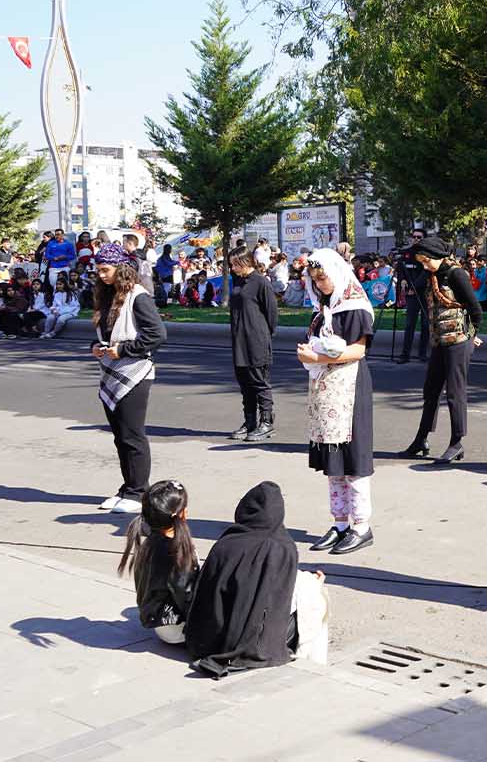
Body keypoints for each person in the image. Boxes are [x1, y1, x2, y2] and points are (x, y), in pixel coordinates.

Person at [184, 481, 328, 678]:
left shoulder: (226, 542)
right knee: (316, 598)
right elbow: (277, 599)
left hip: (206, 641)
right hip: (254, 647)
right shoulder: (283, 547)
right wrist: (314, 584)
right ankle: (315, 667)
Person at [298, 249, 377, 555]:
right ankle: (340, 522)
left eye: (323, 278)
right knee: (333, 459)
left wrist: (315, 356)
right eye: (315, 280)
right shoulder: (325, 307)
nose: (320, 284)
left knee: (353, 458)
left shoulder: (353, 305)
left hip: (350, 387)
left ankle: (361, 525)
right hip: (326, 388)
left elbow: (358, 351)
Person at [89, 243, 167, 515]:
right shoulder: (107, 295)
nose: (100, 275)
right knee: (120, 435)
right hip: (112, 370)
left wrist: (123, 349)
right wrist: (96, 347)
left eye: (105, 270)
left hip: (135, 373)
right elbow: (105, 333)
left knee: (132, 434)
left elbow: (156, 335)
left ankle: (139, 491)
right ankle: (128, 487)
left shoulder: (138, 296)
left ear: (120, 268)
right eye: (98, 270)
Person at [398, 236, 483, 465]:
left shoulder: (456, 274)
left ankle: (456, 443)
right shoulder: (432, 273)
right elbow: (415, 285)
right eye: (422, 262)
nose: (424, 265)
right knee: (431, 390)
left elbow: (475, 309)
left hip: (458, 341)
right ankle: (421, 439)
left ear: (437, 256)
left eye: (426, 261)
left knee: (455, 393)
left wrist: (472, 335)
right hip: (439, 340)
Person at [117, 480, 199, 644]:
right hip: (177, 630)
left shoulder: (150, 542)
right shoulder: (176, 551)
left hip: (160, 623)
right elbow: (186, 595)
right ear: (183, 514)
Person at [227, 245, 280, 442]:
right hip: (239, 339)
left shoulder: (260, 282)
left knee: (259, 382)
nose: (232, 268)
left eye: (235, 264)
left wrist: (265, 334)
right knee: (245, 383)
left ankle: (266, 422)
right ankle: (249, 421)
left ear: (245, 261)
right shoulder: (238, 281)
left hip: (256, 339)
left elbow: (272, 313)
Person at [395, 228, 431, 364]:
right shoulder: (407, 253)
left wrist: (414, 287)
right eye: (414, 237)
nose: (416, 239)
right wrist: (403, 279)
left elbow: (426, 273)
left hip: (424, 293)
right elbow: (401, 269)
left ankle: (422, 354)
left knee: (425, 324)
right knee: (409, 324)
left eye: (419, 237)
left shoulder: (427, 254)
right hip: (411, 294)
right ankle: (405, 354)